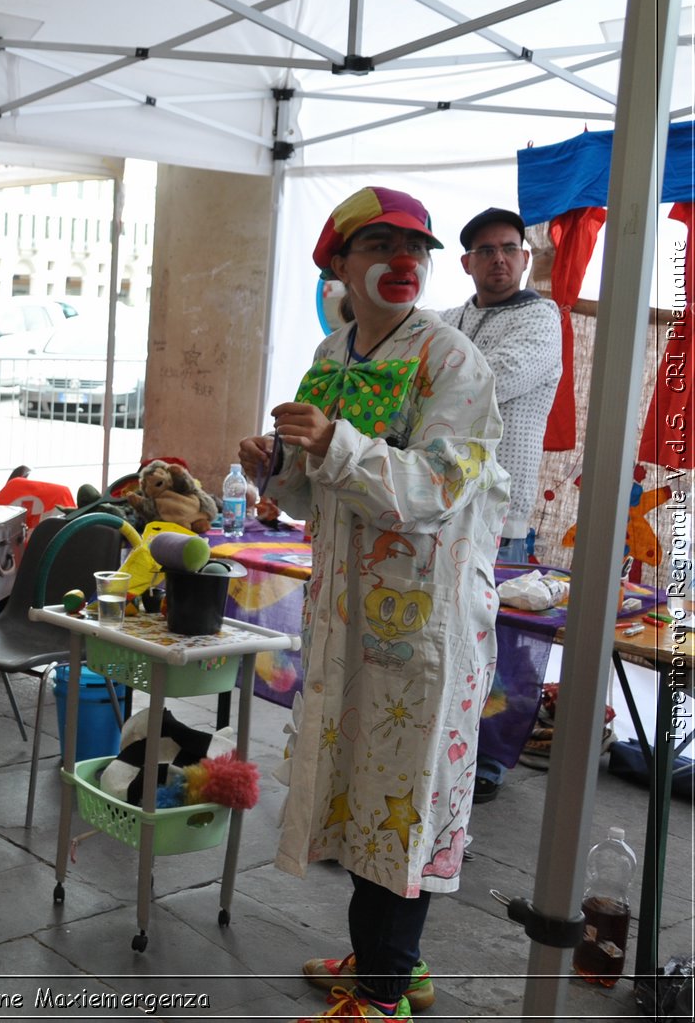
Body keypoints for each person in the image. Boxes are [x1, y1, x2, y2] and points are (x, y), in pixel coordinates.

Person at [239, 187, 509, 1022]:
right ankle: (392, 961)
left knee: (404, 794)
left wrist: (337, 442)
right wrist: (274, 467)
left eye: (416, 248)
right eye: (381, 245)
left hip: (423, 624)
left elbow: (436, 485)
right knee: (361, 790)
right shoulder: (331, 355)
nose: (404, 261)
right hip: (345, 618)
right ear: (340, 266)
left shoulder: (452, 359)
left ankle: (383, 991)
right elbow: (316, 490)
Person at [441, 207, 562, 805]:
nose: (498, 259)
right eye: (485, 250)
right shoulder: (451, 318)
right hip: (444, 503)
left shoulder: (542, 319)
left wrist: (427, 378)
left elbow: (487, 381)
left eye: (509, 248)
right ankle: (449, 745)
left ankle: (486, 763)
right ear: (466, 262)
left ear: (525, 257)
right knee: (455, 631)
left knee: (500, 642)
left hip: (502, 510)